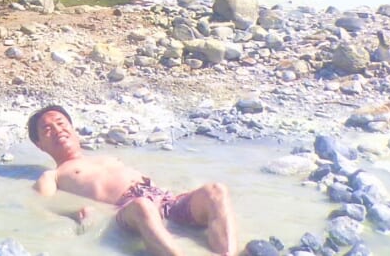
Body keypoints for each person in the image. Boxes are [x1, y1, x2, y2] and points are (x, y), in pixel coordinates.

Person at [28, 105, 238, 256]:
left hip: (165, 201)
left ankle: (227, 253)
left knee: (215, 190)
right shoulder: (52, 175)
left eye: (60, 123)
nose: (57, 130)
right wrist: (74, 213)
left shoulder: (107, 157)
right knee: (142, 206)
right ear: (39, 145)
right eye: (47, 129)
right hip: (128, 211)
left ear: (73, 129)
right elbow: (41, 206)